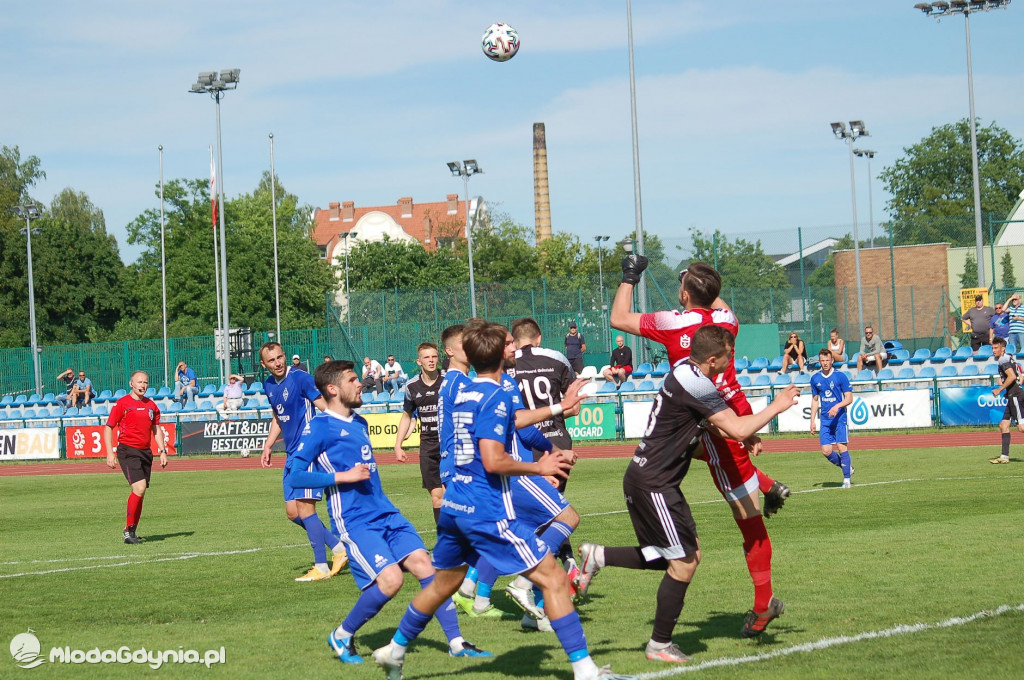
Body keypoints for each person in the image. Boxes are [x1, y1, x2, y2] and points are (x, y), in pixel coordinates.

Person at [372, 322, 634, 680]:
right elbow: (494, 459)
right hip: (485, 506)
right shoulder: (493, 394)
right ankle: (586, 671)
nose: (513, 348)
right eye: (508, 344)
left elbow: (515, 418)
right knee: (555, 579)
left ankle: (395, 649)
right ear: (498, 355)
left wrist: (559, 407)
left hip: (456, 505)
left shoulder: (463, 389)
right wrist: (538, 466)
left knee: (443, 584)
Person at [575, 326, 799, 662]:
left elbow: (712, 425)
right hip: (654, 484)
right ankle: (659, 644)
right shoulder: (697, 383)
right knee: (683, 562)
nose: (729, 363)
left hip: (656, 482)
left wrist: (738, 436)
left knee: (678, 556)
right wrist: (777, 405)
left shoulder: (683, 372)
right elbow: (736, 426)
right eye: (726, 358)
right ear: (712, 359)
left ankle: (599, 557)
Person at [610, 257, 791, 636]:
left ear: (684, 293)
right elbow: (718, 304)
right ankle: (767, 482)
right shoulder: (728, 322)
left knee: (750, 522)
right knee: (685, 454)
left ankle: (763, 605)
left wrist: (630, 274)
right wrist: (703, 284)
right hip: (727, 408)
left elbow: (619, 318)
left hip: (714, 423)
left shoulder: (673, 323)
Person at [285, 360, 492, 664]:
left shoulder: (359, 423)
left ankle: (457, 643)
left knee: (427, 568)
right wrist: (342, 477)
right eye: (353, 380)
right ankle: (342, 635)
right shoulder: (320, 427)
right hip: (355, 521)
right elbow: (296, 476)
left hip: (387, 514)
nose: (360, 384)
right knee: (391, 581)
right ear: (332, 389)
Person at [259, 342, 348, 582]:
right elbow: (278, 418)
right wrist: (268, 445)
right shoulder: (268, 385)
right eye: (272, 360)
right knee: (292, 513)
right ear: (264, 364)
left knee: (306, 508)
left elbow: (324, 407)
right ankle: (338, 548)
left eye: (280, 357)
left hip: (307, 452)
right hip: (291, 455)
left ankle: (321, 566)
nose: (278, 363)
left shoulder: (301, 378)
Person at [104, 371, 168, 544]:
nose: (143, 385)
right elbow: (109, 427)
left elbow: (156, 429)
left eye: (145, 382)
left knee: (141, 492)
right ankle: (128, 531)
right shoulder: (122, 404)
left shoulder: (152, 406)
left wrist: (162, 450)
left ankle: (132, 530)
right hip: (127, 450)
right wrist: (110, 453)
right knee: (139, 488)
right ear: (131, 383)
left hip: (145, 452)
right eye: (139, 382)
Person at [394, 343, 443, 524]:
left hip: (450, 444)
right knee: (437, 496)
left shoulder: (448, 380)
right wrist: (398, 445)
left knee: (453, 495)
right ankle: (445, 543)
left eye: (434, 356)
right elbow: (407, 415)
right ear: (419, 361)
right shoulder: (412, 386)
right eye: (427, 357)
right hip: (428, 447)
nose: (431, 360)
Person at [810, 348, 855, 488]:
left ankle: (847, 479)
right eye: (822, 361)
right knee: (826, 451)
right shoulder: (815, 379)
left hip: (839, 418)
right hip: (825, 420)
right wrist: (812, 421)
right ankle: (847, 467)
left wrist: (837, 406)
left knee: (842, 447)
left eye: (827, 360)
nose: (825, 363)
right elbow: (815, 400)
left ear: (832, 360)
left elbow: (849, 398)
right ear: (819, 362)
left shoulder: (840, 376)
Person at [989, 337, 1024, 464]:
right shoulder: (1009, 358)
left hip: (1015, 396)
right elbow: (1020, 376)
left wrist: (1000, 389)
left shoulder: (1003, 359)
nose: (993, 350)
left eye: (996, 348)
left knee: (1021, 427)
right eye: (992, 348)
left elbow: (1013, 376)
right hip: (1012, 395)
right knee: (1004, 425)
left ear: (1003, 348)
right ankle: (1004, 457)